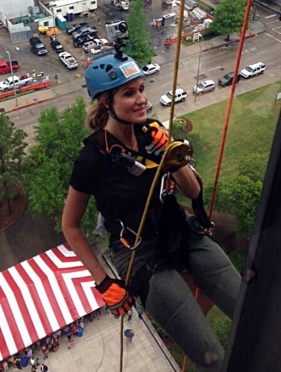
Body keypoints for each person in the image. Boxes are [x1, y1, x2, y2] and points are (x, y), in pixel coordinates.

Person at [62, 53, 241, 372]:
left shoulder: (153, 134)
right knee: (214, 358)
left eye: (142, 89)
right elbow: (70, 226)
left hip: (180, 232)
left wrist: (169, 151)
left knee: (249, 307)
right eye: (129, 93)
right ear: (105, 103)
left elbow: (193, 192)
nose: (142, 99)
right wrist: (103, 282)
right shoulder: (93, 159)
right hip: (138, 254)